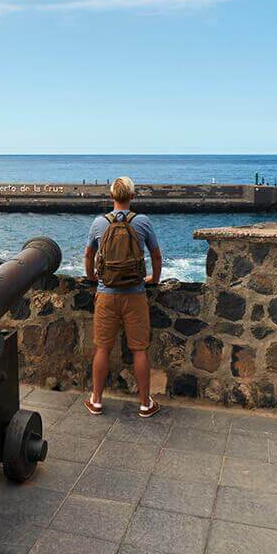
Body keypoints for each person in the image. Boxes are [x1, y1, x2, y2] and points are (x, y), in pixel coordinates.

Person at [85, 176, 163, 417]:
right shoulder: (143, 222)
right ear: (132, 196)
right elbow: (156, 255)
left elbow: (89, 255)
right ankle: (144, 404)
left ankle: (96, 400)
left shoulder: (99, 223)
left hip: (106, 294)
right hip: (135, 294)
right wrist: (154, 279)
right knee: (139, 349)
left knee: (102, 348)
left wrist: (91, 277)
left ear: (112, 196)